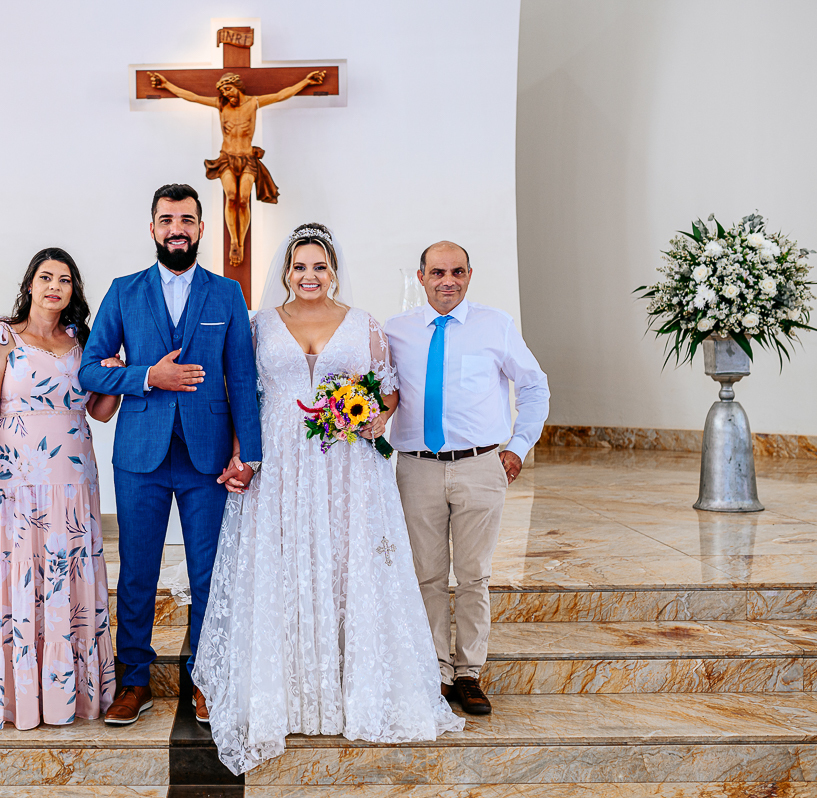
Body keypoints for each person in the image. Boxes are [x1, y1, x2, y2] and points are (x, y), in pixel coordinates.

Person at [192, 223, 465, 775]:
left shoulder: (364, 324)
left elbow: (388, 389)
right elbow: (247, 393)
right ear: (286, 272)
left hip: (345, 465)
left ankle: (350, 688)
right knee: (282, 562)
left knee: (346, 564)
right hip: (281, 464)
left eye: (319, 266)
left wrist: (370, 418)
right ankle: (286, 689)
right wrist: (243, 455)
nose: (309, 276)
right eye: (299, 267)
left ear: (333, 269)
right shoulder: (259, 325)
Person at [78, 183, 263, 727]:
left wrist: (247, 455)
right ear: (153, 228)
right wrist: (146, 376)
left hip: (208, 459)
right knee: (137, 571)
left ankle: (205, 679)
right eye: (166, 219)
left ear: (202, 228)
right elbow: (90, 369)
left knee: (209, 574)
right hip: (141, 456)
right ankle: (133, 680)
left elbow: (243, 378)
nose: (176, 228)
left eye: (186, 219)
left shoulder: (227, 293)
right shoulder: (123, 292)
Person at [384, 241, 550, 716]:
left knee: (474, 575)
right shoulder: (396, 332)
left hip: (481, 465)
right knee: (428, 574)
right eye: (437, 272)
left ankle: (469, 672)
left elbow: (535, 386)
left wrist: (518, 447)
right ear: (421, 278)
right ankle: (435, 670)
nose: (447, 281)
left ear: (470, 275)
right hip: (416, 467)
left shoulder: (495, 325)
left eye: (457, 271)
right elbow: (377, 392)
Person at [0, 247, 121, 730]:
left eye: (66, 279)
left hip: (73, 484)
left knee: (68, 580)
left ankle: (70, 699)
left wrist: (116, 375)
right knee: (21, 577)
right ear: (30, 284)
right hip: (16, 484)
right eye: (46, 276)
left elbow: (98, 411)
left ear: (73, 290)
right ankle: (20, 697)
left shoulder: (82, 340)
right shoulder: (2, 337)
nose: (55, 286)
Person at [145, 70, 325, 267]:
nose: (226, 95)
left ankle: (241, 237)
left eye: (228, 89)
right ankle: (235, 242)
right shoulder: (221, 106)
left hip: (247, 158)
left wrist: (306, 82)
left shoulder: (253, 102)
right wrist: (167, 85)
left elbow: (282, 94)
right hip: (227, 159)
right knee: (231, 196)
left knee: (243, 198)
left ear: (237, 86)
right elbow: (193, 97)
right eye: (223, 92)